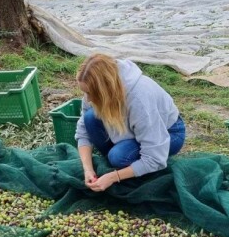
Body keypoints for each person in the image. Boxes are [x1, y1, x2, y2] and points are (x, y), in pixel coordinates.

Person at [74, 54, 185, 191]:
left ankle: (123, 163)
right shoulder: (95, 90)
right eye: (85, 93)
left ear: (105, 90)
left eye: (90, 93)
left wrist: (113, 177)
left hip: (169, 132)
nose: (88, 99)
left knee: (117, 156)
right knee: (90, 118)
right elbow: (83, 131)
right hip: (132, 130)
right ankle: (124, 160)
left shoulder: (139, 99)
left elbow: (154, 158)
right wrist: (88, 170)